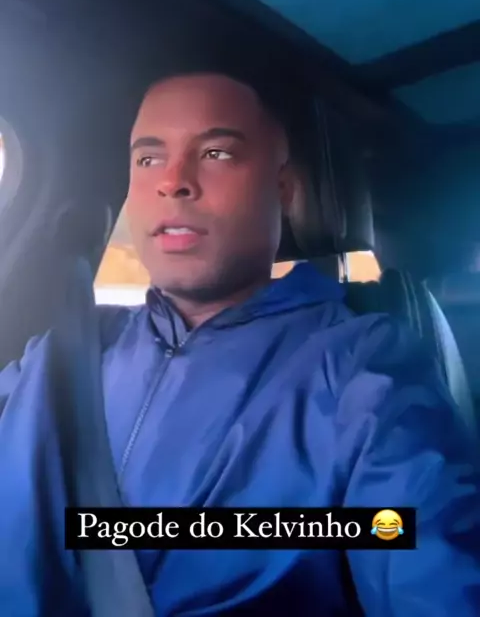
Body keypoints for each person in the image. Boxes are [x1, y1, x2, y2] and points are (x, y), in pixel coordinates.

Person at [0, 70, 480, 616]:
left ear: (284, 190)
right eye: (149, 158)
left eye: (217, 154)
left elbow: (430, 568)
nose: (173, 182)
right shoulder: (63, 354)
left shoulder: (363, 367)